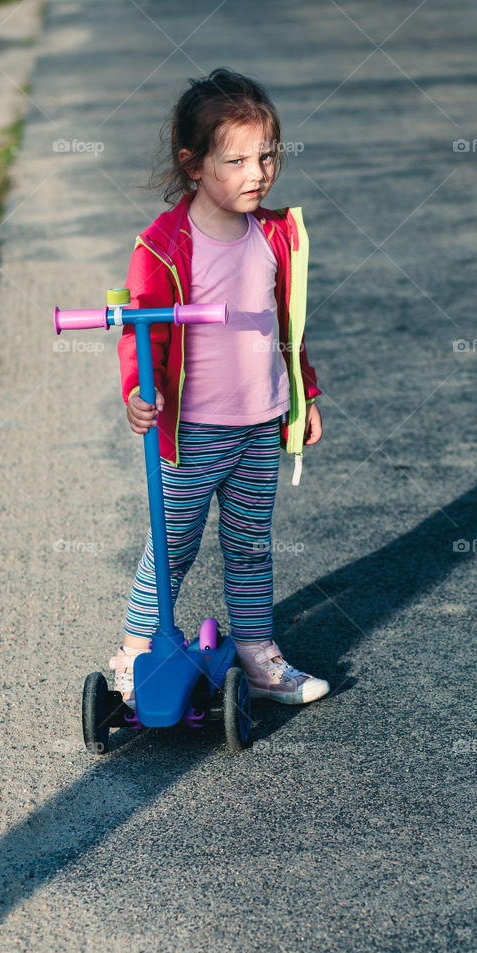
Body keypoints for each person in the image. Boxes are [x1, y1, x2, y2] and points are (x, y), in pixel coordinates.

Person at [109, 67, 329, 709]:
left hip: (260, 425)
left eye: (265, 156)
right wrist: (136, 392)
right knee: (171, 546)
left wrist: (304, 393)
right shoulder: (164, 247)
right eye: (235, 160)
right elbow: (140, 332)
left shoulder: (275, 235)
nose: (256, 173)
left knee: (250, 546)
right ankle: (137, 653)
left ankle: (259, 655)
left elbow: (288, 325)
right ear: (194, 165)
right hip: (192, 432)